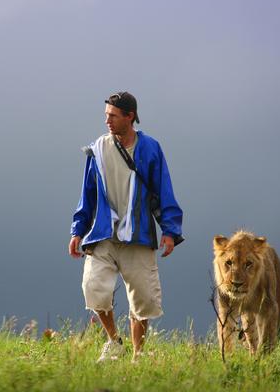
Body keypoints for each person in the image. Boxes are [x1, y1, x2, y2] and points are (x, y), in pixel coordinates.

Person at [69, 91, 184, 363]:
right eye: (106, 115)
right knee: (93, 288)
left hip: (139, 234)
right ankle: (113, 341)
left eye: (113, 115)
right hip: (103, 233)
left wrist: (170, 231)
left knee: (143, 300)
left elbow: (163, 189)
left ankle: (139, 355)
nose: (107, 120)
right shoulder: (97, 148)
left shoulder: (151, 148)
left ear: (129, 117)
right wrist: (77, 230)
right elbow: (88, 193)